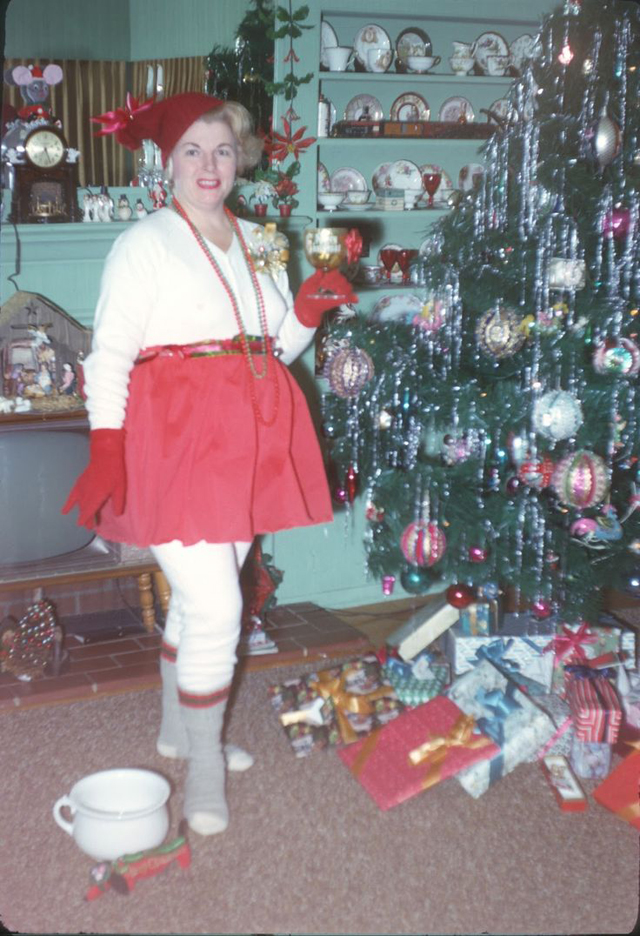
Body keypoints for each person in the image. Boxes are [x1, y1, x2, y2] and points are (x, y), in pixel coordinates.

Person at [62, 91, 358, 836]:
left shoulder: (259, 241)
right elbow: (109, 357)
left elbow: (272, 349)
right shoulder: (144, 243)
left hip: (242, 443)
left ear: (241, 159)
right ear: (167, 162)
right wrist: (105, 449)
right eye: (192, 150)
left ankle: (175, 729)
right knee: (221, 607)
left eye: (222, 149)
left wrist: (308, 313)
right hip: (173, 445)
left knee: (205, 598)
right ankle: (201, 766)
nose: (209, 164)